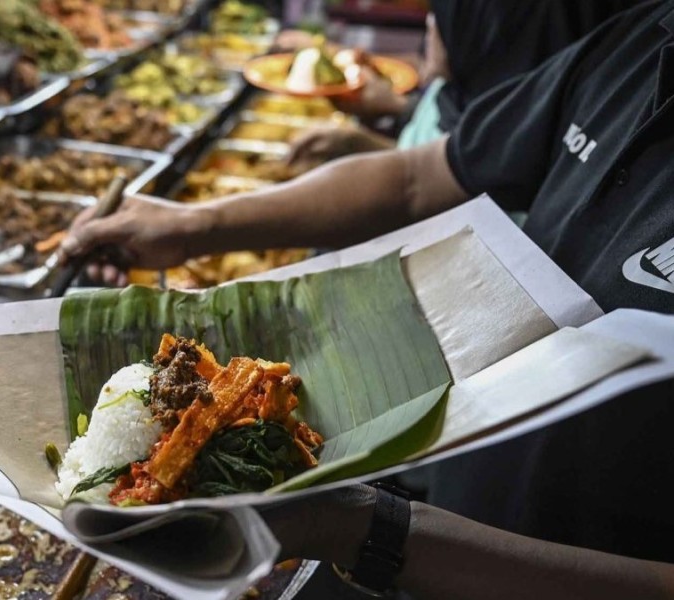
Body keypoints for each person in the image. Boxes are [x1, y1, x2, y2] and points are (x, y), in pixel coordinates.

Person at [58, 0, 674, 595]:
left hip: (474, 552)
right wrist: (195, 226)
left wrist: (360, 528)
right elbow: (416, 179)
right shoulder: (640, 44)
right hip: (449, 509)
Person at [288, 0, 639, 167]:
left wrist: (361, 146)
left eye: (439, 14)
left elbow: (432, 185)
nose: (429, 27)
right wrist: (389, 113)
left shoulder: (508, 160)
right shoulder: (462, 93)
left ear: (481, 33)